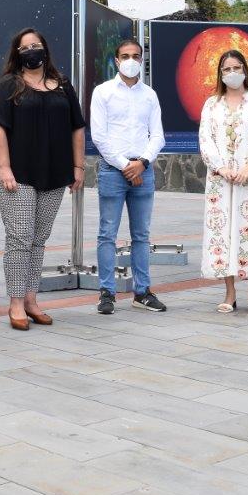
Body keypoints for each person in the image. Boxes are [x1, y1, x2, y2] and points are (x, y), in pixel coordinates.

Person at [0, 27, 85, 330]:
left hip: (55, 173)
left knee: (39, 240)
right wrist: (4, 167)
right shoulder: (10, 85)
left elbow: (77, 127)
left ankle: (31, 299)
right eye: (26, 46)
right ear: (18, 53)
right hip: (17, 175)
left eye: (37, 45)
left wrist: (78, 167)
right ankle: (15, 303)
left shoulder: (63, 86)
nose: (32, 50)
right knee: (20, 238)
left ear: (45, 50)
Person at [89, 37, 166, 315]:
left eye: (136, 55)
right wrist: (126, 165)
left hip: (143, 171)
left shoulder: (150, 95)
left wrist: (142, 163)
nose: (131, 60)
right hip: (113, 170)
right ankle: (107, 292)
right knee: (107, 234)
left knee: (142, 235)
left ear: (142, 59)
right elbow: (99, 136)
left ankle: (142, 292)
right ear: (116, 60)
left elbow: (157, 135)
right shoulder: (103, 92)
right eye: (125, 55)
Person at [198, 50, 248, 312]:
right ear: (220, 73)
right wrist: (220, 167)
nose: (232, 73)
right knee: (223, 232)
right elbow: (205, 139)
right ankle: (229, 292)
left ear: (245, 70)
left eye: (236, 67)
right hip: (221, 181)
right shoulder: (212, 104)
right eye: (227, 69)